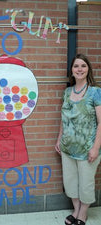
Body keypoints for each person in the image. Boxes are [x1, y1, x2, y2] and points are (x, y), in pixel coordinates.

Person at [55, 53, 101, 225]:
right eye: (76, 66)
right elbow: (64, 118)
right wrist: (59, 139)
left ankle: (83, 213)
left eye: (83, 66)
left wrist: (96, 147)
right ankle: (75, 209)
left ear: (88, 69)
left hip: (87, 148)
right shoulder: (67, 92)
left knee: (86, 184)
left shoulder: (96, 92)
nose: (79, 69)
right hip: (68, 148)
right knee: (70, 182)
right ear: (72, 71)